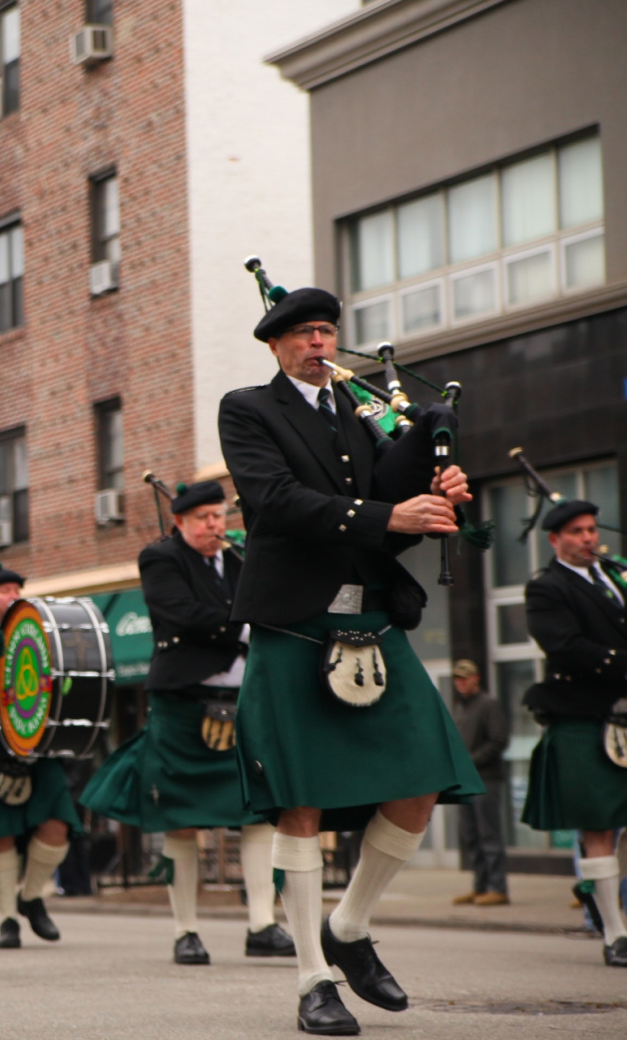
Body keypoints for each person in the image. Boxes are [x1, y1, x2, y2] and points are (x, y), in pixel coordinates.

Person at [219, 287, 484, 1035]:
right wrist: (387, 514)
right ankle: (311, 977)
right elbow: (274, 502)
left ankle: (351, 924)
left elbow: (381, 529)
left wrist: (433, 500)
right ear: (276, 345)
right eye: (304, 333)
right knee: (298, 802)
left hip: (369, 617)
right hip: (295, 624)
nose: (318, 343)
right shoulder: (247, 408)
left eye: (327, 331)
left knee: (422, 780)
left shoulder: (358, 415)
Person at [81, 481, 294, 964]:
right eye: (201, 518)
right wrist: (245, 623)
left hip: (243, 701)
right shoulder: (161, 559)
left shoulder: (240, 559)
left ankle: (263, 924)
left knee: (257, 812)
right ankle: (186, 931)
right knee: (179, 818)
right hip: (184, 701)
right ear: (179, 522)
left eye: (218, 515)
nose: (213, 525)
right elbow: (177, 613)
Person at [0, 562, 82, 949]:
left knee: (58, 825)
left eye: (17, 590)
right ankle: (8, 917)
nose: (14, 596)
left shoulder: (37, 631)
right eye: (5, 591)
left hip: (34, 744)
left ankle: (32, 896)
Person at [518, 499, 627, 968]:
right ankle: (615, 933)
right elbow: (565, 647)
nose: (588, 538)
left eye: (590, 530)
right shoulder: (546, 588)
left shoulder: (615, 578)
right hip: (585, 716)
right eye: (577, 532)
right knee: (598, 826)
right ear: (554, 540)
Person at [449, 660, 510, 907]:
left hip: (486, 781)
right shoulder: (461, 707)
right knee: (471, 836)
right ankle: (480, 887)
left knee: (489, 835)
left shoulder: (488, 705)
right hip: (466, 783)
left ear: (477, 678)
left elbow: (498, 741)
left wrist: (469, 763)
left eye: (466, 677)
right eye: (457, 678)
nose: (461, 682)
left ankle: (498, 888)